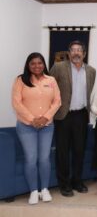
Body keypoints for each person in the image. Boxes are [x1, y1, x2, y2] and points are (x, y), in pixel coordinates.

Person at [12, 53, 61, 204]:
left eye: (39, 63)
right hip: (26, 126)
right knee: (31, 159)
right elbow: (16, 103)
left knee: (44, 159)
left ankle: (44, 189)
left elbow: (57, 101)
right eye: (33, 63)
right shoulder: (20, 80)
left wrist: (45, 117)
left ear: (44, 64)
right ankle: (34, 191)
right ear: (28, 65)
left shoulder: (51, 80)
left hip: (47, 126)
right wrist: (32, 119)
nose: (37, 66)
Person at [50, 40, 96, 197]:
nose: (76, 53)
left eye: (79, 50)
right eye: (73, 50)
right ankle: (64, 184)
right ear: (69, 53)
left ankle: (77, 181)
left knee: (79, 150)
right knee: (62, 151)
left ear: (84, 53)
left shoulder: (91, 71)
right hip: (63, 115)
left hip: (81, 115)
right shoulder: (58, 67)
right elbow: (49, 87)